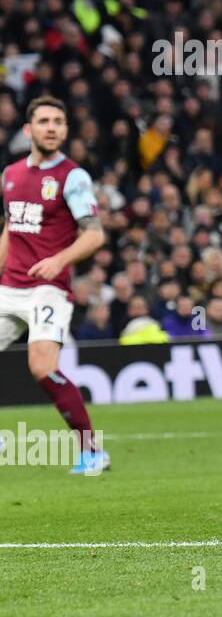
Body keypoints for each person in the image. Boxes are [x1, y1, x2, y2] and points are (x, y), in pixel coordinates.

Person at [0, 96, 109, 475]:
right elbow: (10, 229)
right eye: (44, 121)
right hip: (9, 286)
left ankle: (92, 450)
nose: (52, 127)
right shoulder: (10, 175)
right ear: (28, 129)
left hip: (48, 289)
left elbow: (94, 235)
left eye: (59, 122)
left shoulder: (72, 177)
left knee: (42, 366)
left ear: (65, 130)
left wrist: (59, 260)